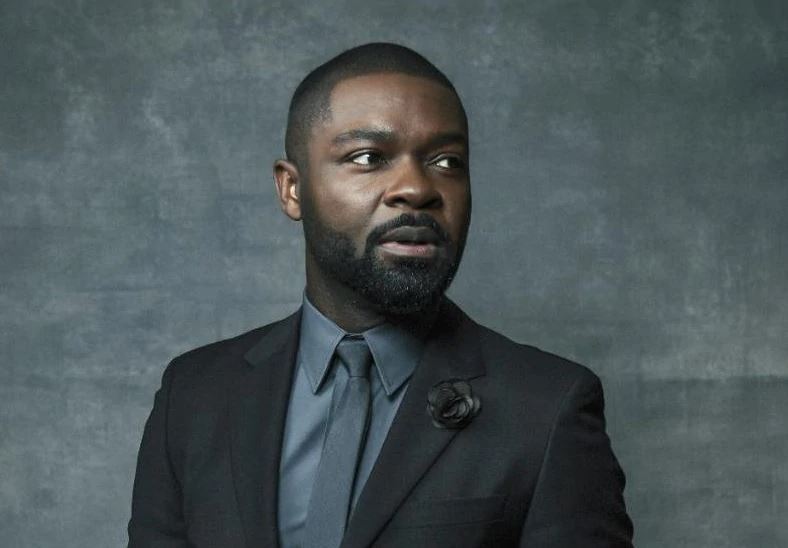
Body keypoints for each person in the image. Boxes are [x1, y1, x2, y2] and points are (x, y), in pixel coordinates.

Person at [128, 42, 633, 548]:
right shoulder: (193, 397)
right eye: (368, 157)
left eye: (447, 161)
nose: (416, 188)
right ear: (291, 189)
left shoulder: (547, 407)